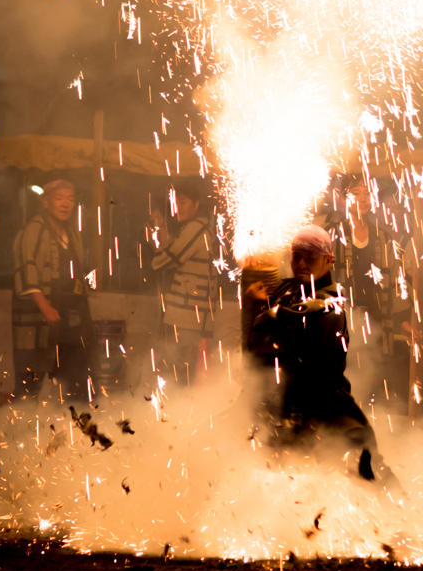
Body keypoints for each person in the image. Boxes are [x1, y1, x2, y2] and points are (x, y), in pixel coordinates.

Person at [244, 225, 398, 487]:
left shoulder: (329, 304)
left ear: (329, 259)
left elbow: (268, 337)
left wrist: (257, 307)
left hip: (325, 405)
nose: (301, 263)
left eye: (311, 257)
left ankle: (406, 517)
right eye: (296, 256)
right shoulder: (287, 289)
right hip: (285, 405)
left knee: (365, 471)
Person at [318, 175, 407, 406]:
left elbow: (394, 281)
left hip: (376, 320)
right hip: (339, 321)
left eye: (367, 193)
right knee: (340, 380)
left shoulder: (383, 236)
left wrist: (403, 320)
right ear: (344, 198)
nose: (363, 199)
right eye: (356, 193)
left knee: (374, 381)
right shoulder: (331, 235)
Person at [12, 180, 93, 400]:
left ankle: (74, 426)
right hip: (40, 317)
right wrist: (46, 307)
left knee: (74, 374)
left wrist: (88, 287)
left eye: (71, 199)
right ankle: (20, 427)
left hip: (71, 315)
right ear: (46, 202)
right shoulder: (34, 230)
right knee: (31, 375)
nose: (66, 204)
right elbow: (26, 272)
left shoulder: (73, 233)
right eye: (60, 199)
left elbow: (82, 272)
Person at [150, 182, 214, 384]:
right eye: (175, 202)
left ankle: (179, 413)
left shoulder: (196, 228)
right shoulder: (193, 227)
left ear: (196, 204)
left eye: (184, 201)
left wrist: (157, 252)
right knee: (178, 370)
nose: (178, 206)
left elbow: (168, 260)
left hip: (187, 317)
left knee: (178, 372)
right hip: (186, 315)